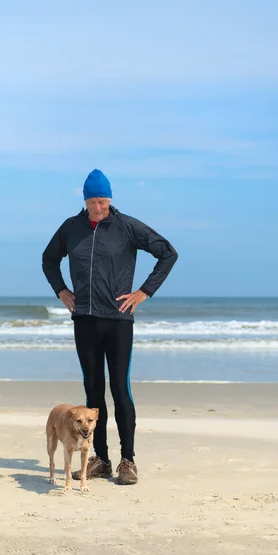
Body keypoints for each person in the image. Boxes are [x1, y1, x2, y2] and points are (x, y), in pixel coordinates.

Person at [42, 169, 178, 485]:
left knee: (120, 388)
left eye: (103, 201)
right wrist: (62, 291)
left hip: (117, 320)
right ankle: (99, 460)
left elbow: (167, 254)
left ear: (110, 199)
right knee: (93, 393)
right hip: (85, 320)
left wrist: (144, 292)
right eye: (93, 201)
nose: (98, 207)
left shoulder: (126, 227)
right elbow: (49, 260)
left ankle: (127, 460)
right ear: (85, 200)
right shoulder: (71, 228)